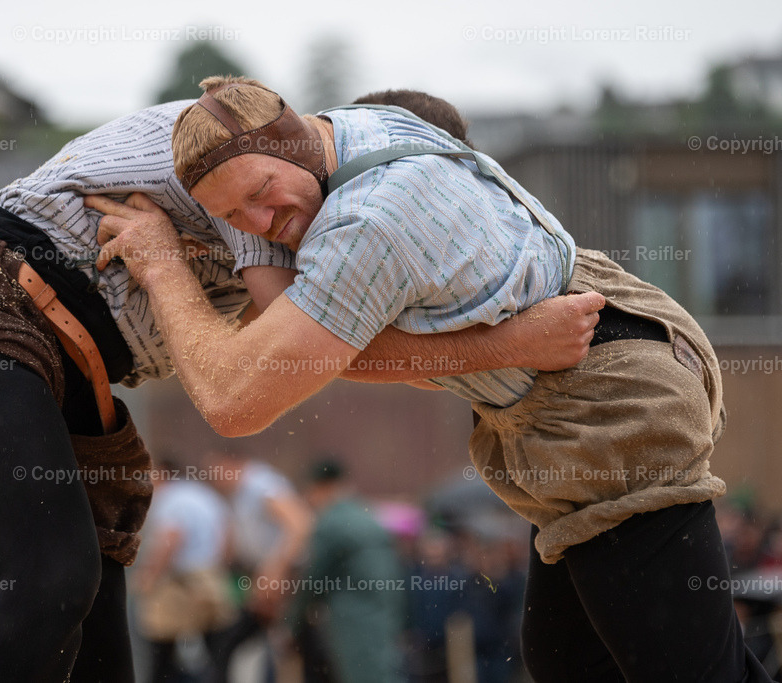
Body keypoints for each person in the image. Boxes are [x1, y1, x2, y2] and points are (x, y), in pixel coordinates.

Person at [0, 97, 603, 681]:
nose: (259, 215)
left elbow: (322, 350)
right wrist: (513, 342)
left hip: (68, 371)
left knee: (94, 638)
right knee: (49, 579)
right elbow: (247, 390)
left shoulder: (321, 202)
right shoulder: (240, 156)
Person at [86, 76, 773, 682]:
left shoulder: (370, 222)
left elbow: (238, 400)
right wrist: (505, 341)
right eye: (235, 218)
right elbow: (326, 339)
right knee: (575, 660)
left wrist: (163, 264)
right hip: (588, 388)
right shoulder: (363, 126)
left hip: (609, 406)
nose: (261, 226)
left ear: (295, 138)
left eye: (262, 196)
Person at [290, 457, 404, 683]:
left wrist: (290, 623)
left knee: (362, 675)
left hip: (352, 615)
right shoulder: (367, 514)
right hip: (384, 609)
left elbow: (314, 579)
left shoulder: (331, 521)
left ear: (322, 487)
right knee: (383, 671)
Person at [204, 450, 312, 682]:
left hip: (288, 579)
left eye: (215, 470)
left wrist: (274, 572)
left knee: (299, 647)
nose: (214, 478)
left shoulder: (260, 483)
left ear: (230, 464)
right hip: (267, 580)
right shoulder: (238, 495)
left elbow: (299, 525)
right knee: (242, 644)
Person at [133, 459, 235, 682]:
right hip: (212, 577)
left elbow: (171, 539)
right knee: (216, 650)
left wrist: (149, 577)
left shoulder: (170, 499)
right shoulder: (205, 494)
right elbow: (227, 538)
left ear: (162, 473)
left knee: (159, 646)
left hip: (181, 581)